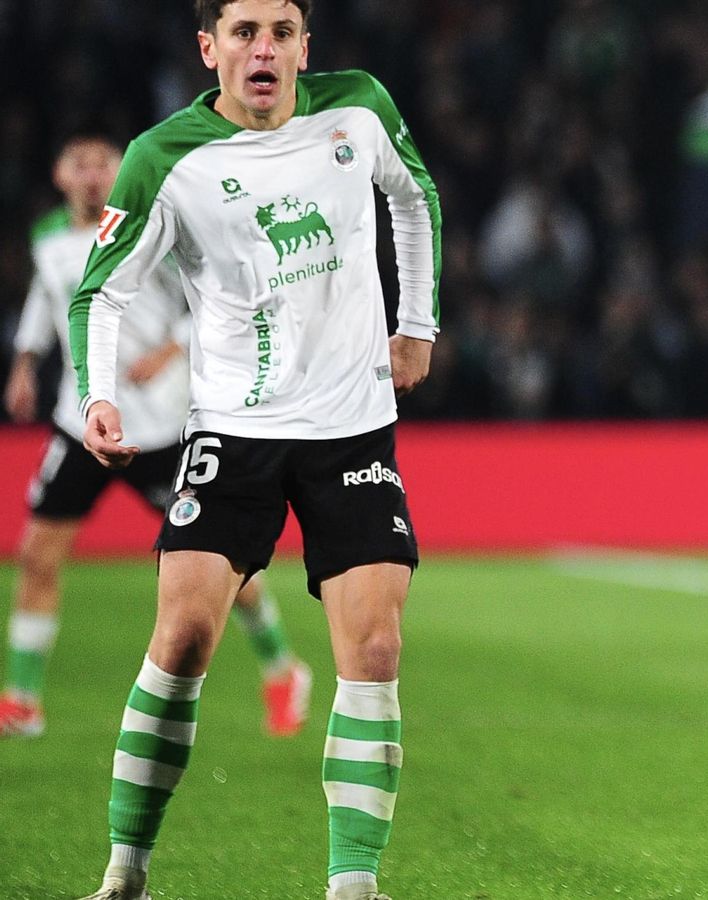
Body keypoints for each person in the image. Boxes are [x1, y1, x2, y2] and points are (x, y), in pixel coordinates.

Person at [67, 1, 441, 898]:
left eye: (281, 30)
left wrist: (417, 322)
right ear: (210, 48)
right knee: (186, 633)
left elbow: (415, 196)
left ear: (305, 45)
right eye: (244, 31)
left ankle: (353, 885)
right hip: (234, 429)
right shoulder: (166, 156)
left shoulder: (357, 109)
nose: (264, 47)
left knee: (376, 648)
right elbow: (99, 294)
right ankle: (126, 871)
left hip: (352, 424)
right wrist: (99, 395)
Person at [0, 135, 312, 742]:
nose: (93, 175)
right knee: (37, 554)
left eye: (103, 164)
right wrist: (23, 360)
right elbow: (50, 296)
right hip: (84, 421)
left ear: (120, 171)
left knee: (223, 568)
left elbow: (213, 297)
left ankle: (282, 668)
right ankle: (22, 700)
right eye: (80, 164)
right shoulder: (47, 237)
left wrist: (171, 349)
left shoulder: (152, 222)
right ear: (60, 175)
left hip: (162, 430)